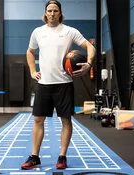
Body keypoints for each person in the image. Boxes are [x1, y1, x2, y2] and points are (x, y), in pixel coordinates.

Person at [21, 0, 95, 170]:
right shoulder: (38, 32)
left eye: (55, 10)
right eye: (49, 10)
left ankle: (62, 157)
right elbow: (30, 51)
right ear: (45, 13)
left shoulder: (70, 31)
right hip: (44, 83)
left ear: (60, 13)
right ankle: (35, 157)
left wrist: (89, 64)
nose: (52, 13)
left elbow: (90, 47)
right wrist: (33, 71)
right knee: (38, 119)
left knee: (65, 120)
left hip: (64, 83)